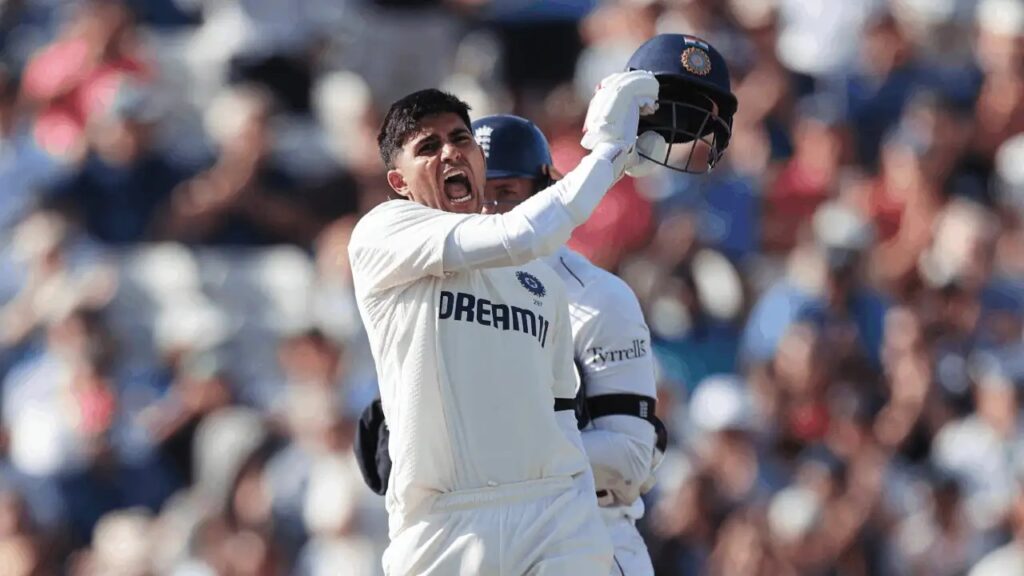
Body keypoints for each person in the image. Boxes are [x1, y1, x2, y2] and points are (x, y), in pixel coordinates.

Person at [347, 73, 660, 576]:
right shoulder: (383, 232)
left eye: (460, 138)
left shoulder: (544, 281)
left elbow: (560, 412)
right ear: (399, 183)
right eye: (428, 146)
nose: (450, 152)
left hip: (554, 512)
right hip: (445, 523)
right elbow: (521, 232)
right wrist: (607, 154)